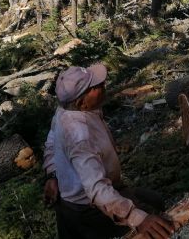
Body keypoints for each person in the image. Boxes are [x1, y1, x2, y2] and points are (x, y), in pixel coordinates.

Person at [43, 64, 174, 239]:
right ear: (81, 101)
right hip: (89, 212)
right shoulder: (81, 136)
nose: (103, 85)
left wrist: (52, 173)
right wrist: (136, 218)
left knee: (155, 201)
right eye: (95, 87)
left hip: (84, 197)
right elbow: (96, 188)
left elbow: (52, 139)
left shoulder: (65, 109)